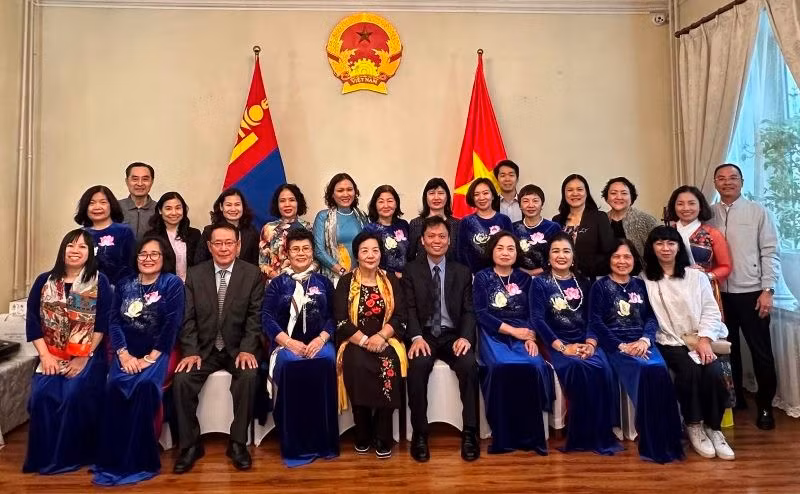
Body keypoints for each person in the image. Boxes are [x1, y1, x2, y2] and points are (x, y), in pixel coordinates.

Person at [93, 235, 185, 485]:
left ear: (164, 258)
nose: (148, 259)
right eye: (143, 254)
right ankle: (114, 456)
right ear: (136, 258)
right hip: (126, 352)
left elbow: (172, 324)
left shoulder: (172, 283)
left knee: (145, 387)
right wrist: (123, 354)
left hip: (160, 351)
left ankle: (141, 457)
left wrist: (150, 358)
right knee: (114, 386)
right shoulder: (125, 284)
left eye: (154, 254)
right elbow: (114, 321)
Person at [172, 223, 264, 473]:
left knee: (248, 377)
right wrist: (191, 351)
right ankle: (190, 445)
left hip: (238, 348)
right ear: (209, 246)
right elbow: (187, 318)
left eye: (229, 243)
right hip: (204, 349)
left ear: (238, 245)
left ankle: (237, 443)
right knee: (182, 380)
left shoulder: (252, 274)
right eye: (218, 243)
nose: (224, 248)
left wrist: (247, 348)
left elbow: (255, 317)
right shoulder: (195, 274)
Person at [23, 229, 112, 474]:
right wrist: (45, 356)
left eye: (82, 247)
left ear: (90, 253)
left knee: (73, 394)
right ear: (63, 249)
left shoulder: (100, 281)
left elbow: (102, 324)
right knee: (41, 396)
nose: (75, 251)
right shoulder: (44, 281)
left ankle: (71, 456)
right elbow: (32, 321)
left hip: (88, 354)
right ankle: (43, 457)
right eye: (71, 245)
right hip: (51, 353)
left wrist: (83, 357)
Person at [642, 226, 734, 460]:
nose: (665, 248)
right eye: (659, 243)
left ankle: (714, 428)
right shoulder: (645, 280)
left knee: (713, 371)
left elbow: (711, 311)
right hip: (668, 340)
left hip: (700, 338)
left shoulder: (696, 277)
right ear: (652, 248)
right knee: (690, 370)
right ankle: (694, 424)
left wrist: (704, 339)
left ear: (679, 247)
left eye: (671, 243)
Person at [589, 239, 684, 463]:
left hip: (642, 343)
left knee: (658, 368)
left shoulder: (641, 284)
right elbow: (596, 322)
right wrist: (621, 346)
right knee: (645, 370)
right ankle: (651, 435)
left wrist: (644, 340)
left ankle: (667, 434)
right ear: (609, 260)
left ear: (634, 260)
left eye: (627, 257)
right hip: (615, 346)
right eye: (616, 256)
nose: (622, 261)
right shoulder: (600, 286)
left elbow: (651, 317)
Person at [529, 232, 621, 455]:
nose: (561, 256)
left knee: (603, 366)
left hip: (584, 339)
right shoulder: (540, 283)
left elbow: (593, 317)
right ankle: (580, 431)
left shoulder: (584, 282)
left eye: (566, 251)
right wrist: (563, 347)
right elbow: (538, 320)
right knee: (576, 366)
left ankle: (601, 428)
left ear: (573, 256)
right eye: (555, 251)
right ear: (548, 256)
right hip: (554, 343)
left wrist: (590, 343)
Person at [708, 163, 780, 429]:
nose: (727, 182)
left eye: (733, 178)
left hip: (752, 293)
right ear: (715, 183)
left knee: (761, 353)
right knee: (729, 350)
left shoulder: (757, 211)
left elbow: (770, 252)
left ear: (741, 181)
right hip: (719, 294)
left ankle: (765, 406)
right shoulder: (708, 214)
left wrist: (767, 290)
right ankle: (735, 399)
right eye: (721, 178)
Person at [403, 216, 479, 462]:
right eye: (431, 236)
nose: (437, 241)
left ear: (449, 240)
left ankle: (470, 432)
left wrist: (465, 337)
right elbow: (409, 309)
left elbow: (469, 310)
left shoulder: (462, 271)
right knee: (417, 367)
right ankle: (420, 433)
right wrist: (416, 337)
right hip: (424, 335)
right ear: (422, 240)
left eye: (442, 236)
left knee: (469, 365)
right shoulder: (411, 270)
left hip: (452, 335)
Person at [261, 228, 338, 466]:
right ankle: (295, 444)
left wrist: (321, 339)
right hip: (286, 345)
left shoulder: (324, 282)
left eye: (306, 248)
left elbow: (334, 316)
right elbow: (267, 317)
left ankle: (323, 443)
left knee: (326, 361)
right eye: (296, 249)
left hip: (320, 343)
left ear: (312, 252)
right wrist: (289, 342)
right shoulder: (277, 284)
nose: (301, 253)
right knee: (291, 365)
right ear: (287, 253)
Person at [473, 232, 554, 454]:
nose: (505, 253)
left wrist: (531, 337)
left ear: (517, 253)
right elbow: (481, 314)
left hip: (524, 332)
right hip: (493, 332)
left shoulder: (525, 279)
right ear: (492, 250)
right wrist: (513, 332)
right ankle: (504, 435)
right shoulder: (482, 277)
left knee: (534, 365)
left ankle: (531, 437)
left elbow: (534, 313)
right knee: (501, 366)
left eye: (510, 248)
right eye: (500, 248)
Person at [334, 232, 406, 459]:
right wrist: (365, 341)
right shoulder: (346, 281)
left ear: (381, 254)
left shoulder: (390, 280)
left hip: (386, 340)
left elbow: (400, 316)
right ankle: (362, 431)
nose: (370, 255)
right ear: (357, 255)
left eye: (375, 250)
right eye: (364, 251)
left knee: (389, 364)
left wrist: (381, 337)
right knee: (356, 364)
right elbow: (340, 320)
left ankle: (383, 435)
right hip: (355, 341)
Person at [553, 174, 615, 278]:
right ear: (564, 194)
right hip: (562, 277)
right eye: (570, 190)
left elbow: (608, 251)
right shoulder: (557, 220)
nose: (575, 193)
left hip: (592, 277)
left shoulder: (599, 217)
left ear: (586, 192)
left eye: (579, 189)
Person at [74, 185, 135, 287]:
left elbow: (131, 265)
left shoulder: (124, 231)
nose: (97, 207)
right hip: (85, 290)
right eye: (91, 203)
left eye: (103, 202)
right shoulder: (80, 234)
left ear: (111, 205)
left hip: (119, 290)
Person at [313, 173, 368, 284]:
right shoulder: (323, 217)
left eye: (349, 189)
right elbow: (319, 251)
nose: (346, 194)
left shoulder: (362, 216)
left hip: (361, 276)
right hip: (334, 278)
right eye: (340, 190)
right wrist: (343, 272)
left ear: (355, 192)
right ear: (332, 194)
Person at [457, 178, 513, 273]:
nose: (481, 198)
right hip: (473, 276)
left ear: (493, 195)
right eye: (476, 194)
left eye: (485, 193)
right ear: (472, 198)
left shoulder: (504, 220)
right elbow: (460, 254)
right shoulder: (466, 222)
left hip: (502, 274)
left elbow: (512, 250)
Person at [259, 184, 312, 282]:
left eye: (292, 200)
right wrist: (278, 278)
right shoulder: (268, 229)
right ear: (277, 204)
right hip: (276, 283)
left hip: (304, 282)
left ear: (298, 202)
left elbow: (314, 260)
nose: (287, 204)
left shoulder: (308, 228)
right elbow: (262, 263)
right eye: (282, 201)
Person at [145, 191, 202, 282]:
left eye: (178, 208)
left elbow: (200, 264)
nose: (174, 213)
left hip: (192, 286)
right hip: (164, 286)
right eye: (168, 208)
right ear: (160, 210)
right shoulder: (152, 236)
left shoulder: (195, 234)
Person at [195, 188, 260, 266]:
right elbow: (199, 262)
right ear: (221, 207)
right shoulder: (209, 231)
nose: (233, 209)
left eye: (237, 204)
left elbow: (255, 264)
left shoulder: (252, 232)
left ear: (243, 207)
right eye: (228, 205)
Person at [601, 177, 659, 257]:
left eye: (624, 193)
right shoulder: (601, 220)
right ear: (607, 198)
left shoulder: (646, 220)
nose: (619, 197)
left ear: (632, 197)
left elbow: (659, 250)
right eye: (613, 193)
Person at [512, 184, 562, 276]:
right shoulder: (513, 228)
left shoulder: (553, 227)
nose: (531, 205)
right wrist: (524, 272)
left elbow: (559, 255)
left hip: (548, 276)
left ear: (542, 204)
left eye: (535, 201)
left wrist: (533, 272)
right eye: (525, 201)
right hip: (519, 276)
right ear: (520, 205)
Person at [407, 178, 460, 261]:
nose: (436, 197)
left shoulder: (457, 224)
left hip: (452, 269)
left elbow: (460, 256)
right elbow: (411, 256)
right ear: (425, 197)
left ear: (447, 197)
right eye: (431, 193)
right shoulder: (416, 223)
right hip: (421, 269)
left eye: (441, 193)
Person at [364, 185, 410, 278]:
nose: (386, 205)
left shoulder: (403, 224)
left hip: (405, 278)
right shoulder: (369, 229)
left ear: (396, 203)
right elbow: (367, 261)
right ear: (375, 205)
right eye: (381, 201)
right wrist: (393, 275)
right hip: (381, 279)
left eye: (390, 201)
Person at [119, 162, 157, 241]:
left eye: (145, 179)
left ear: (152, 182)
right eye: (135, 179)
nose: (140, 184)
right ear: (127, 181)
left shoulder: (159, 209)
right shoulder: (115, 207)